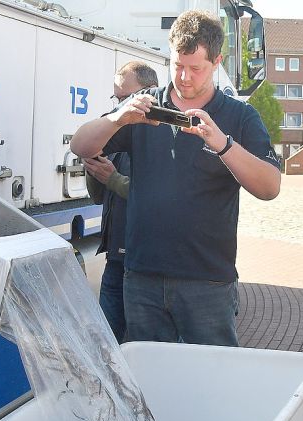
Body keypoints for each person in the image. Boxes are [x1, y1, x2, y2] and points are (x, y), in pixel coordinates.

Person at [70, 10, 281, 347]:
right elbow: (80, 145)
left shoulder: (239, 115)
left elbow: (270, 187)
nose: (184, 77)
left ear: (216, 62)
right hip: (142, 277)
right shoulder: (144, 107)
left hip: (208, 281)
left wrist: (222, 144)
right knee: (151, 382)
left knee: (212, 379)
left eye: (195, 68)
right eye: (177, 65)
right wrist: (117, 118)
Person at [83, 61, 159, 343]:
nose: (119, 105)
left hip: (144, 262)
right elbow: (99, 196)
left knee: (144, 346)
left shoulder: (160, 133)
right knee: (105, 344)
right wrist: (93, 167)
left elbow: (158, 195)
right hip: (115, 257)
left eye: (124, 97)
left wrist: (113, 178)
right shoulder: (114, 128)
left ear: (150, 91)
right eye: (116, 98)